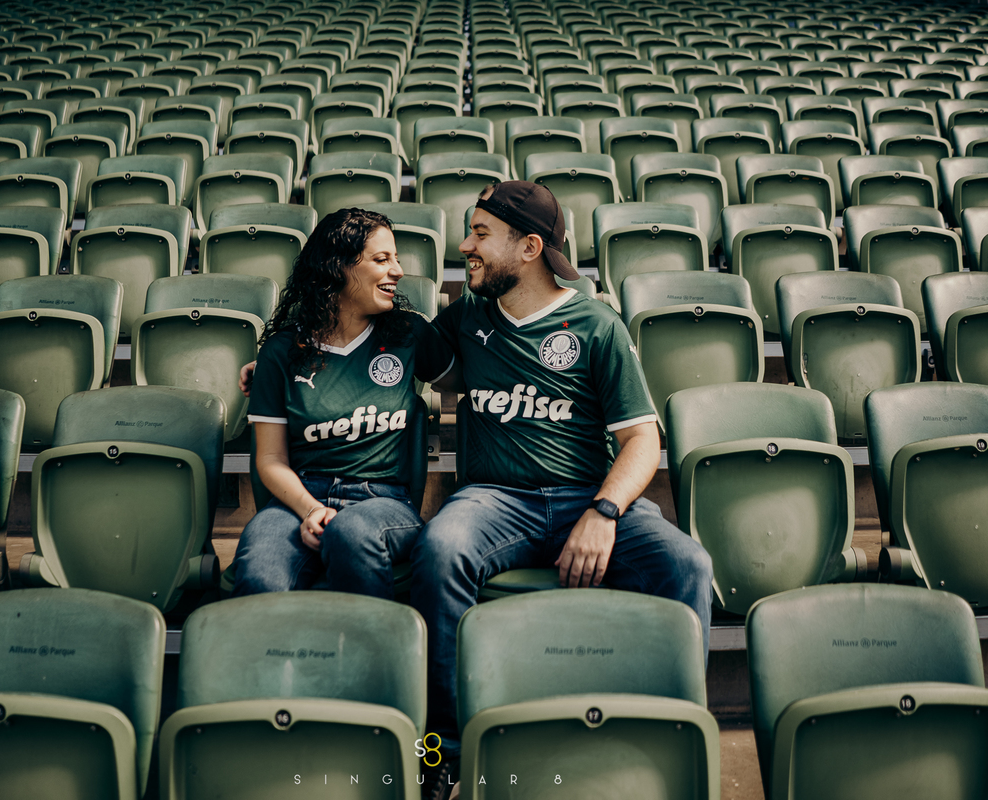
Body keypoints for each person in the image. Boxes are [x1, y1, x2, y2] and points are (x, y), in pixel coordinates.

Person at [413, 182, 714, 799]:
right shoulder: (468, 312)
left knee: (688, 562)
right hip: (497, 499)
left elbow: (640, 441)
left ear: (528, 247)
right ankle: (442, 748)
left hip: (586, 495)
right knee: (440, 549)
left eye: (479, 234)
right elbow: (382, 346)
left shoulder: (596, 325)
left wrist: (605, 511)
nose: (464, 246)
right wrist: (281, 355)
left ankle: (668, 736)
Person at [232, 207, 456, 599]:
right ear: (338, 268)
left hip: (383, 501)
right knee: (258, 571)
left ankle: (367, 657)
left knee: (350, 535)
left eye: (397, 258)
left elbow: (470, 379)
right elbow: (269, 461)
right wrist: (310, 510)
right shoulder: (283, 352)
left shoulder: (409, 334)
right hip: (298, 498)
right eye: (382, 259)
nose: (399, 271)